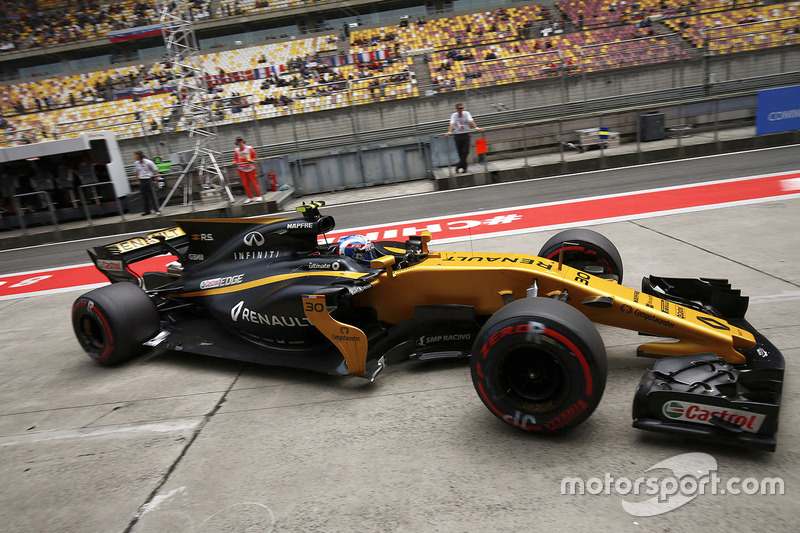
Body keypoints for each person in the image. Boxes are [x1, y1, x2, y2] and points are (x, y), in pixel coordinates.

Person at [445, 103, 483, 173]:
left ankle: (459, 165)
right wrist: (449, 131)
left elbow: (471, 121)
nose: (461, 109)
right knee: (460, 152)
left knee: (466, 151)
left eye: (462, 108)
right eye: (459, 108)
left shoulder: (466, 113)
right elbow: (452, 124)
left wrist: (476, 127)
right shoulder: (454, 115)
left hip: (465, 134)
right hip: (458, 135)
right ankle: (464, 167)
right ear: (457, 109)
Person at [234, 136, 261, 204]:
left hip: (250, 168)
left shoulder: (249, 148)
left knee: (254, 182)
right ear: (237, 142)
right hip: (241, 169)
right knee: (245, 184)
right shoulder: (236, 150)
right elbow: (235, 159)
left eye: (241, 141)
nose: (240, 142)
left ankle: (258, 196)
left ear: (243, 141)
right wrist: (234, 162)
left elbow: (254, 156)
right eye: (238, 141)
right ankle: (249, 197)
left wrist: (251, 160)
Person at [133, 151, 159, 216]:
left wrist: (155, 180)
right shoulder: (136, 163)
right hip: (142, 180)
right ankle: (147, 210)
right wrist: (138, 180)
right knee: (144, 196)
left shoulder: (148, 162)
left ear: (140, 155)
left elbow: (156, 171)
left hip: (148, 179)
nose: (135, 157)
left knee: (152, 195)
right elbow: (136, 172)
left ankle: (156, 209)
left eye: (136, 156)